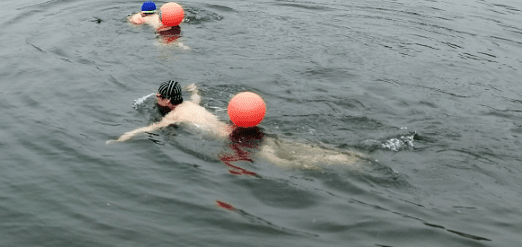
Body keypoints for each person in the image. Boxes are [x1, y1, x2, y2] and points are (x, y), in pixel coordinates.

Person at [110, 81, 360, 170]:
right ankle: (344, 157)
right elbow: (198, 97)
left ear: (166, 100)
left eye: (158, 96)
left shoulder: (173, 117)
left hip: (234, 140)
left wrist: (122, 137)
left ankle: (322, 165)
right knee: (285, 145)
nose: (156, 99)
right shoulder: (191, 105)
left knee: (282, 162)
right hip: (239, 127)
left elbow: (148, 129)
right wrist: (194, 89)